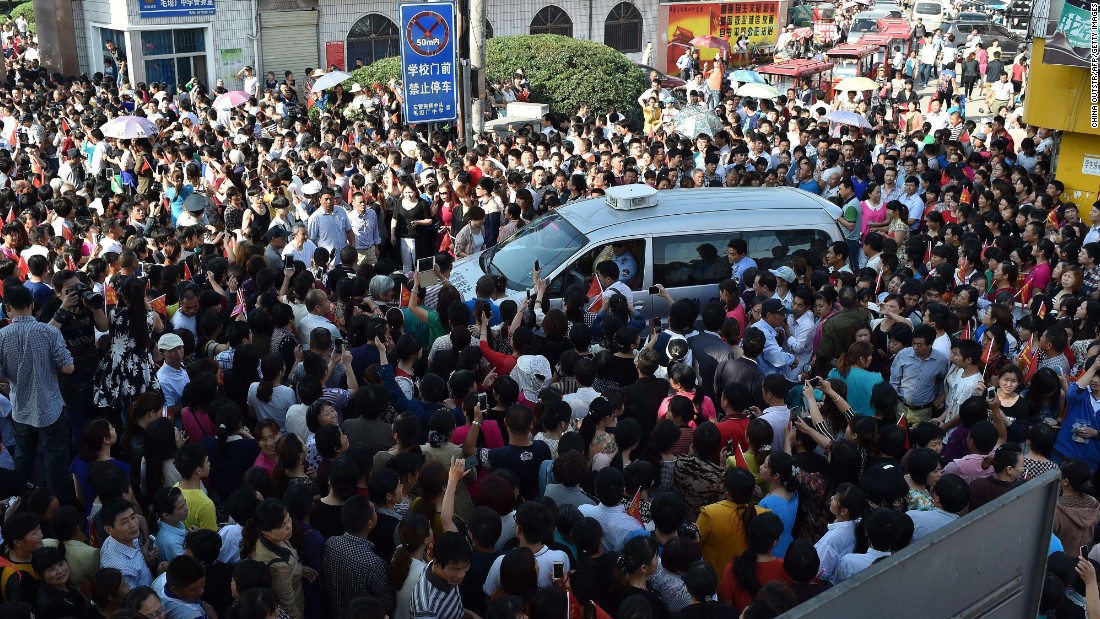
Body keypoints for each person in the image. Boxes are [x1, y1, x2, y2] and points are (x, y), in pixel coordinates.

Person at [0, 286, 75, 502]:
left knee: (23, 456)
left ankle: (20, 500)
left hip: (21, 409)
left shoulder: (1, 337)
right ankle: (56, 504)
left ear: (8, 308)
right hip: (50, 406)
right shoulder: (49, 332)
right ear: (32, 306)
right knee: (55, 459)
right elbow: (68, 367)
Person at [409, 531, 471, 619]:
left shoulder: (436, 568)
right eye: (455, 569)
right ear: (437, 563)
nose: (461, 575)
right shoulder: (425, 609)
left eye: (465, 567)